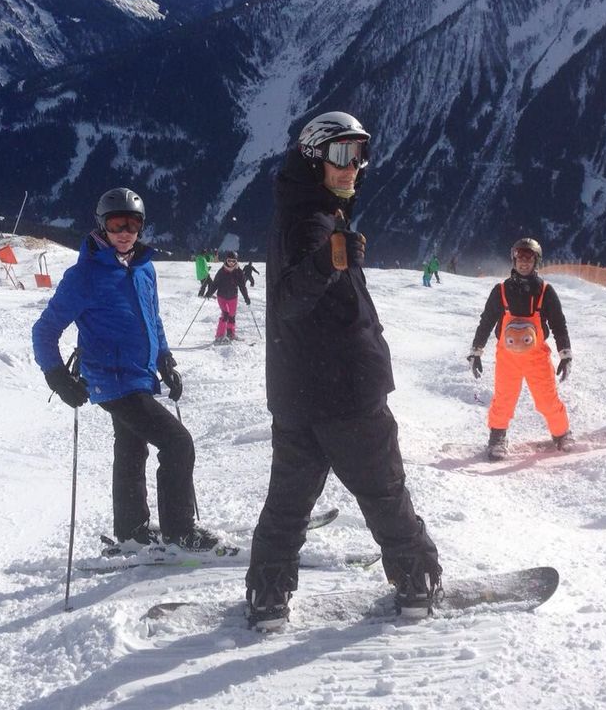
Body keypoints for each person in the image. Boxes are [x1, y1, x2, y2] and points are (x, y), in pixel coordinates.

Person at [246, 111, 441, 630]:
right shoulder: (313, 221)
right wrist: (328, 263)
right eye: (339, 154)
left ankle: (268, 594)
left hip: (297, 393)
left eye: (359, 153)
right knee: (383, 490)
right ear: (315, 159)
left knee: (288, 502)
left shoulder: (299, 208)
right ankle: (416, 580)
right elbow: (290, 298)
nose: (352, 165)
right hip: (344, 393)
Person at [32, 188, 221, 556]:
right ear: (102, 226)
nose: (124, 231)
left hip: (139, 376)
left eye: (132, 224)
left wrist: (164, 360)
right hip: (111, 380)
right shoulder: (84, 276)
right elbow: (44, 331)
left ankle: (132, 531)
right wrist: (56, 375)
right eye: (116, 224)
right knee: (177, 443)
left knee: (132, 448)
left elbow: (153, 319)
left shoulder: (143, 269)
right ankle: (180, 532)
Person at [467, 238, 573, 460]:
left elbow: (558, 323)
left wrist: (565, 353)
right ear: (513, 260)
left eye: (529, 258)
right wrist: (477, 350)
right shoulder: (501, 290)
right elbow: (486, 321)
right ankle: (497, 437)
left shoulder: (545, 291)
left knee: (547, 398)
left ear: (536, 261)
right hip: (507, 357)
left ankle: (561, 433)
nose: (524, 262)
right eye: (520, 257)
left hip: (537, 357)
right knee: (504, 398)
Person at [205, 250, 251, 343]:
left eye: (233, 261)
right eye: (229, 260)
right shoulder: (221, 271)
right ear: (226, 260)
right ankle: (219, 336)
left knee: (232, 316)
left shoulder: (238, 272)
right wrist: (209, 292)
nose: (231, 263)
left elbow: (242, 286)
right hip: (222, 296)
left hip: (233, 297)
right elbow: (215, 284)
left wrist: (246, 297)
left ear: (236, 261)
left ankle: (231, 335)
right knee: (225, 315)